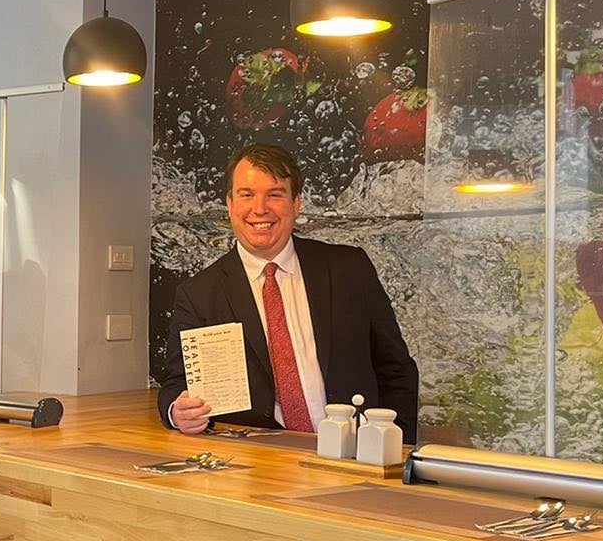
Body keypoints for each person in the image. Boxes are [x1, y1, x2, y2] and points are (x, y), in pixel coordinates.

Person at [158, 142, 420, 442]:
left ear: (296, 203)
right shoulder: (198, 294)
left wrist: (398, 449)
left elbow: (396, 369)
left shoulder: (350, 269)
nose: (260, 208)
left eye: (275, 194)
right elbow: (175, 384)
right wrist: (177, 412)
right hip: (256, 465)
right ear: (229, 204)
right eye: (247, 195)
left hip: (354, 454)